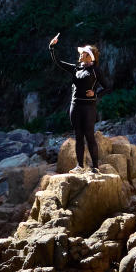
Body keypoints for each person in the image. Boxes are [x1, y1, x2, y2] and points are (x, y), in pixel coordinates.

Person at [49, 32, 106, 171]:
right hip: (75, 105)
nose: (80, 55)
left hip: (89, 107)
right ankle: (79, 166)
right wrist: (51, 47)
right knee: (78, 136)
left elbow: (107, 87)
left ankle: (96, 167)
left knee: (89, 136)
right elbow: (58, 62)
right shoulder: (76, 67)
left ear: (89, 56)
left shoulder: (95, 70)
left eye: (83, 53)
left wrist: (96, 93)